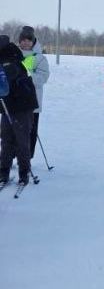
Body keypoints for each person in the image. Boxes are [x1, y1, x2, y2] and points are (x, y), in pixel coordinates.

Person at [0, 38, 38, 186]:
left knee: (22, 140)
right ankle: (3, 171)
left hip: (22, 105)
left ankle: (24, 172)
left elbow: (8, 81)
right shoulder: (7, 54)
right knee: (6, 138)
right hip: (8, 105)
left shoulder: (10, 57)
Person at [17, 27, 49, 161]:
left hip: (32, 102)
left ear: (33, 41)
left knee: (30, 131)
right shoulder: (13, 55)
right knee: (12, 131)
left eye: (28, 40)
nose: (25, 43)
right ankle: (11, 156)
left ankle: (26, 159)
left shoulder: (39, 58)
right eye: (22, 40)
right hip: (15, 102)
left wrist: (27, 75)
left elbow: (43, 78)